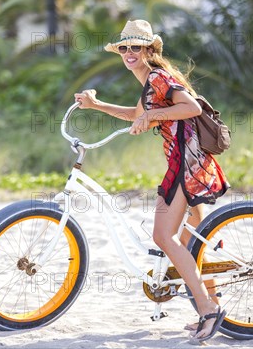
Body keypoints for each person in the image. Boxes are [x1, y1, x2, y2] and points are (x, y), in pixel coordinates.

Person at [74, 20, 230, 342]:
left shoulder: (159, 77)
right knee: (190, 241)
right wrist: (96, 105)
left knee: (163, 236)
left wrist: (153, 116)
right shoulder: (150, 82)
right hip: (188, 162)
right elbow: (136, 114)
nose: (129, 53)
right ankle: (212, 305)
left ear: (148, 50)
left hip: (186, 164)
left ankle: (207, 310)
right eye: (124, 48)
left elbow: (191, 106)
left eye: (135, 47)